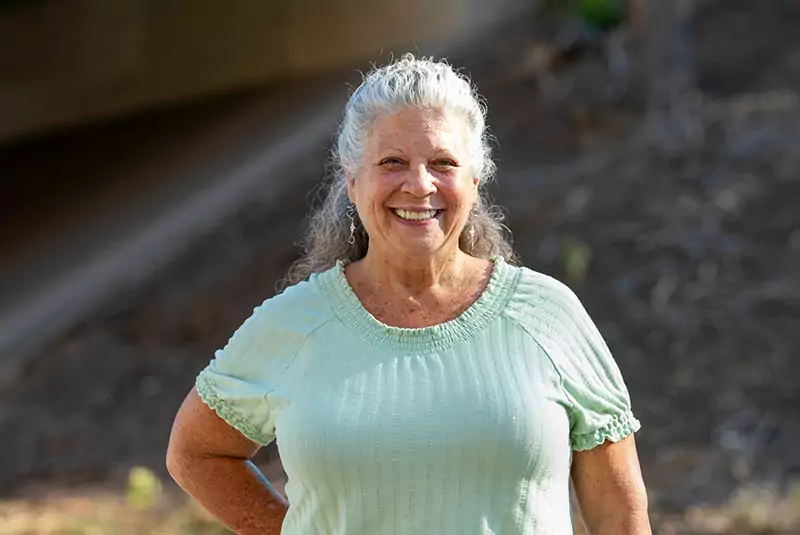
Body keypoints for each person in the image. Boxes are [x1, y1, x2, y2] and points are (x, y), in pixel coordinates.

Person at [166, 54, 651, 534]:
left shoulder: (549, 317)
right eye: (392, 162)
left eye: (442, 163)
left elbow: (620, 516)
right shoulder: (294, 325)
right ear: (353, 183)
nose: (419, 184)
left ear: (474, 184)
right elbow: (196, 453)